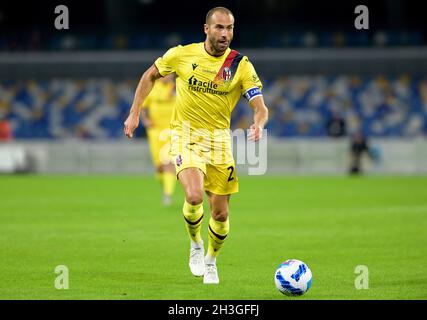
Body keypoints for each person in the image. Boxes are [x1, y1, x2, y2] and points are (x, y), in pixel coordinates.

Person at [124, 7, 269, 284]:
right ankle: (195, 243)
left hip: (219, 143)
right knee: (193, 196)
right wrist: (135, 112)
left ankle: (211, 259)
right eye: (219, 28)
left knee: (220, 213)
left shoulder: (240, 65)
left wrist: (259, 123)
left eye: (229, 28)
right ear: (206, 29)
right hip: (185, 135)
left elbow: (260, 105)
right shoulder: (181, 54)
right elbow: (150, 76)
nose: (225, 33)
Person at [141, 74, 177, 205]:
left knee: (168, 163)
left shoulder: (177, 87)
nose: (166, 76)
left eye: (169, 74)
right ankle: (166, 187)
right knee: (159, 167)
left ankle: (167, 195)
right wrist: (145, 120)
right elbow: (143, 107)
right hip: (155, 131)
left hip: (172, 130)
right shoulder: (151, 88)